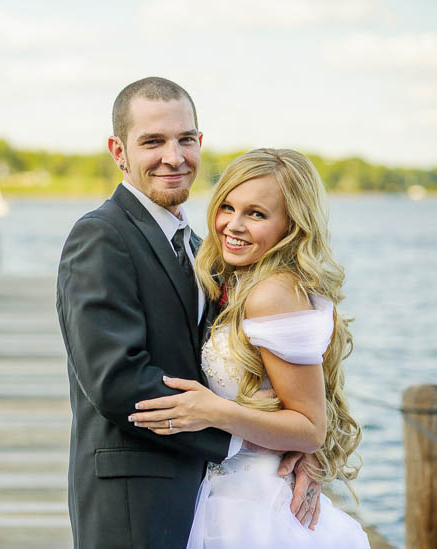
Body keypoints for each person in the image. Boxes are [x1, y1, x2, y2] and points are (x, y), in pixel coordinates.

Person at [56, 77, 319, 549]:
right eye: (152, 141)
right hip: (135, 499)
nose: (173, 157)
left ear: (200, 142)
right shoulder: (100, 237)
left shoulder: (201, 249)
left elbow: (272, 371)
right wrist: (247, 442)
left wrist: (301, 444)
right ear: (119, 151)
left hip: (209, 497)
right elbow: (118, 383)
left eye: (185, 139)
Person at [129, 148, 369, 547]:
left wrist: (213, 411)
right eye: (227, 207)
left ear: (291, 225)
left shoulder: (272, 293)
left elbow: (310, 428)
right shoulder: (238, 279)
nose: (232, 226)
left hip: (258, 504)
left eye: (256, 214)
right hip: (225, 487)